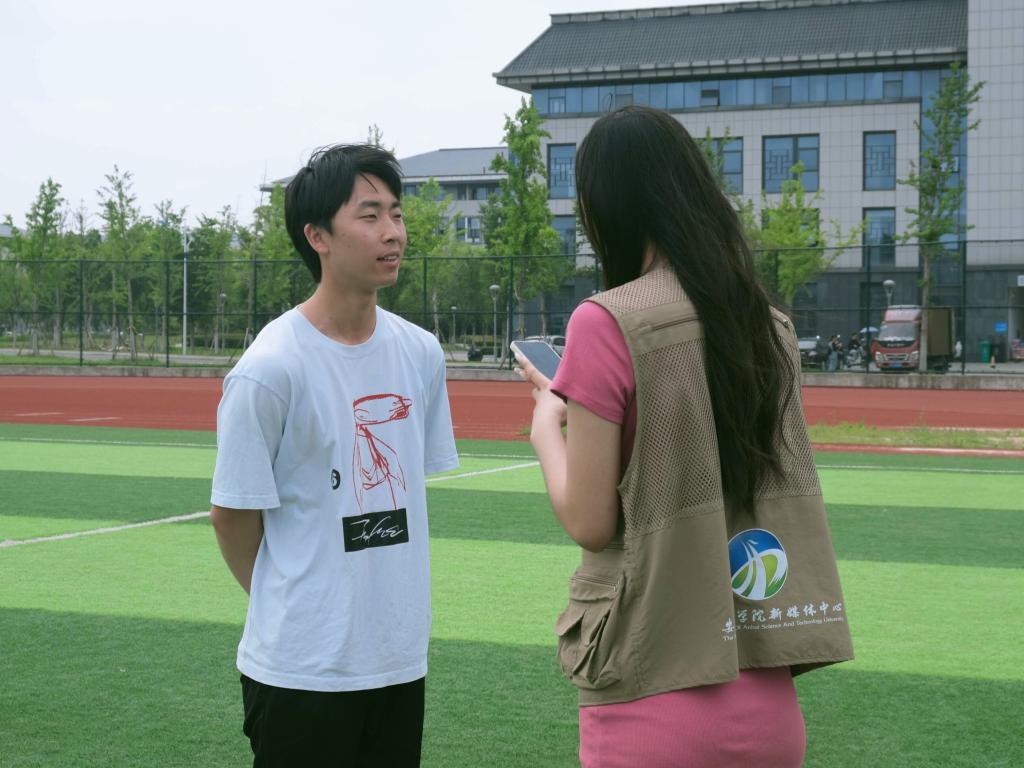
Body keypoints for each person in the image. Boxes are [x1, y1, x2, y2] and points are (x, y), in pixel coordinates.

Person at [516, 106, 853, 768]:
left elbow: (590, 521)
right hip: (771, 706)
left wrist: (544, 426)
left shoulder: (605, 321)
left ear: (603, 207)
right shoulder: (767, 324)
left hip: (652, 699)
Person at [210, 144, 459, 767]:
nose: (393, 232)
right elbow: (233, 516)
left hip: (397, 660)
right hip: (301, 670)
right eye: (369, 215)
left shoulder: (421, 353)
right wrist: (298, 603)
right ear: (317, 236)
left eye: (396, 214)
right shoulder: (270, 369)